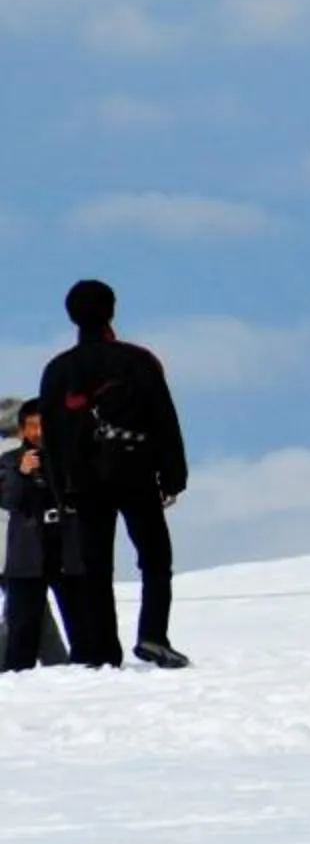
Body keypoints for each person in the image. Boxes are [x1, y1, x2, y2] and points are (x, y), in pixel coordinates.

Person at [35, 279, 191, 668]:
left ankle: (99, 650)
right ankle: (153, 635)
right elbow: (163, 418)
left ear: (71, 314)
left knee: (94, 565)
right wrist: (173, 476)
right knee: (155, 557)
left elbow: (52, 439)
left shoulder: (56, 370)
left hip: (83, 480)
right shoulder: (138, 360)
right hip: (135, 467)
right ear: (112, 310)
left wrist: (60, 489)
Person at [2, 397, 87, 672]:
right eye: (30, 426)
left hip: (49, 551)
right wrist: (22, 473)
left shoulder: (63, 457)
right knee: (26, 623)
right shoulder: (12, 459)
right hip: (24, 553)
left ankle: (69, 666)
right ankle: (42, 668)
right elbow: (10, 499)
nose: (36, 432)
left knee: (64, 621)